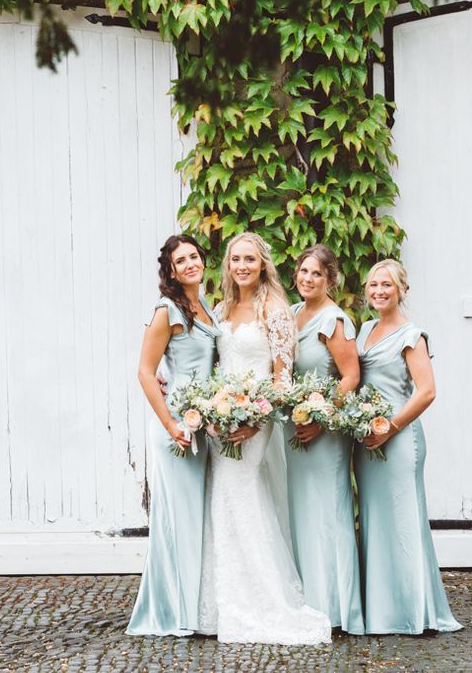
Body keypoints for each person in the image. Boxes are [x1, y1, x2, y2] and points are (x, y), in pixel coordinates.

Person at [197, 232, 331, 645]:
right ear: (228, 264)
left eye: (249, 259)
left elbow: (282, 374)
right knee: (222, 494)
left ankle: (262, 600)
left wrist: (257, 417)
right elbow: (215, 363)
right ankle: (220, 602)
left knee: (240, 491)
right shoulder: (219, 308)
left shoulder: (273, 308)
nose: (242, 266)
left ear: (262, 264)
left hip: (258, 417)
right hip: (223, 416)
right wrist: (212, 408)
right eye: (235, 258)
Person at [354, 259, 462, 635]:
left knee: (403, 522)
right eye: (373, 285)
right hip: (367, 442)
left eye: (386, 285)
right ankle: (381, 611)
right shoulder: (364, 328)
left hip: (399, 441)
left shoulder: (412, 335)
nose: (379, 291)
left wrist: (391, 427)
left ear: (401, 290)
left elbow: (427, 391)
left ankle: (414, 611)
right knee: (375, 521)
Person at [127, 235, 219, 637]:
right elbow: (146, 372)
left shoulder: (206, 309)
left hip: (203, 425)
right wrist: (171, 424)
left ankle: (194, 608)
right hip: (176, 429)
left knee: (196, 519)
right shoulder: (165, 311)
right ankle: (174, 613)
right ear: (171, 270)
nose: (189, 264)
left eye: (194, 256)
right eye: (180, 261)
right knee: (178, 520)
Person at [285, 245, 364, 635]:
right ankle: (305, 601)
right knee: (301, 514)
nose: (307, 279)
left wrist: (321, 418)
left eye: (316, 273)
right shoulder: (294, 314)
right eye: (303, 271)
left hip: (325, 433)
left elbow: (350, 376)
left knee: (327, 515)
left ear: (331, 279)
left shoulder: (336, 320)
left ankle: (334, 608)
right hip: (293, 429)